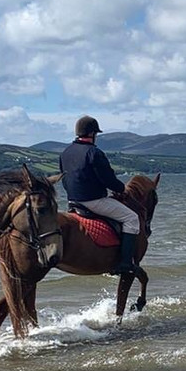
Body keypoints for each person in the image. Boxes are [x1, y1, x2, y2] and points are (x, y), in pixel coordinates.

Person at [60, 115, 139, 274]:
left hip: (72, 201)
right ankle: (125, 264)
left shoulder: (65, 153)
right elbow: (108, 179)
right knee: (132, 218)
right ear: (92, 133)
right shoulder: (94, 153)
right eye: (95, 133)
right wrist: (122, 189)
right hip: (93, 201)